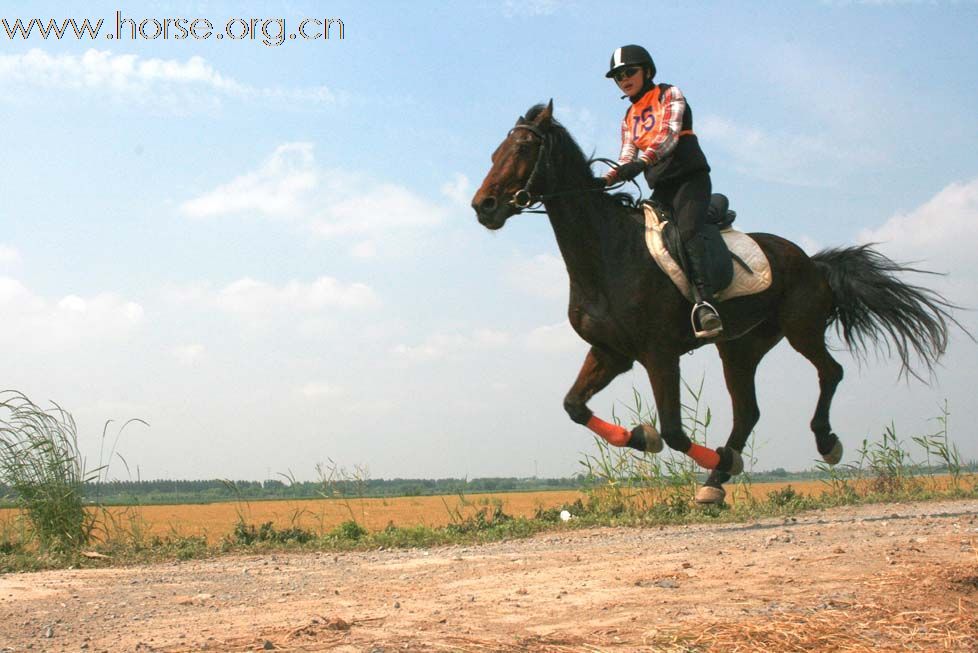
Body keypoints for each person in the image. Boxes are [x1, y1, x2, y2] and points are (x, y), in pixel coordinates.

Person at [600, 45, 722, 338]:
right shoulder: (629, 117)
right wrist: (603, 181)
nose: (624, 79)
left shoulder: (670, 94)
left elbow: (667, 136)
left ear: (648, 71)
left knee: (687, 232)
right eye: (618, 76)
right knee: (647, 238)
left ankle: (706, 303)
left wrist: (641, 163)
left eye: (630, 72)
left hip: (689, 181)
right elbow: (626, 155)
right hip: (662, 188)